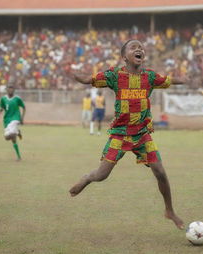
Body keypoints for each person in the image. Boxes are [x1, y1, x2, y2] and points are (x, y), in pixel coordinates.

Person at [69, 39, 186, 230]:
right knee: (101, 175)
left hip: (142, 134)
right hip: (120, 134)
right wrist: (77, 77)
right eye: (134, 47)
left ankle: (169, 211)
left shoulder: (149, 77)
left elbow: (168, 80)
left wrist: (184, 80)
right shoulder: (115, 75)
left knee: (160, 172)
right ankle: (87, 178)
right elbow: (90, 80)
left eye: (141, 47)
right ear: (124, 57)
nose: (139, 49)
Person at [0, 83, 26, 161]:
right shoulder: (3, 99)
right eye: (9, 88)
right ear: (6, 89)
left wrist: (22, 118)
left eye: (12, 88)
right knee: (9, 138)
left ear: (14, 90)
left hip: (15, 119)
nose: (10, 89)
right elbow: (2, 108)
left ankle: (16, 132)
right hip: (7, 120)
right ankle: (19, 156)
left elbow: (24, 107)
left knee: (11, 135)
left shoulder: (17, 99)